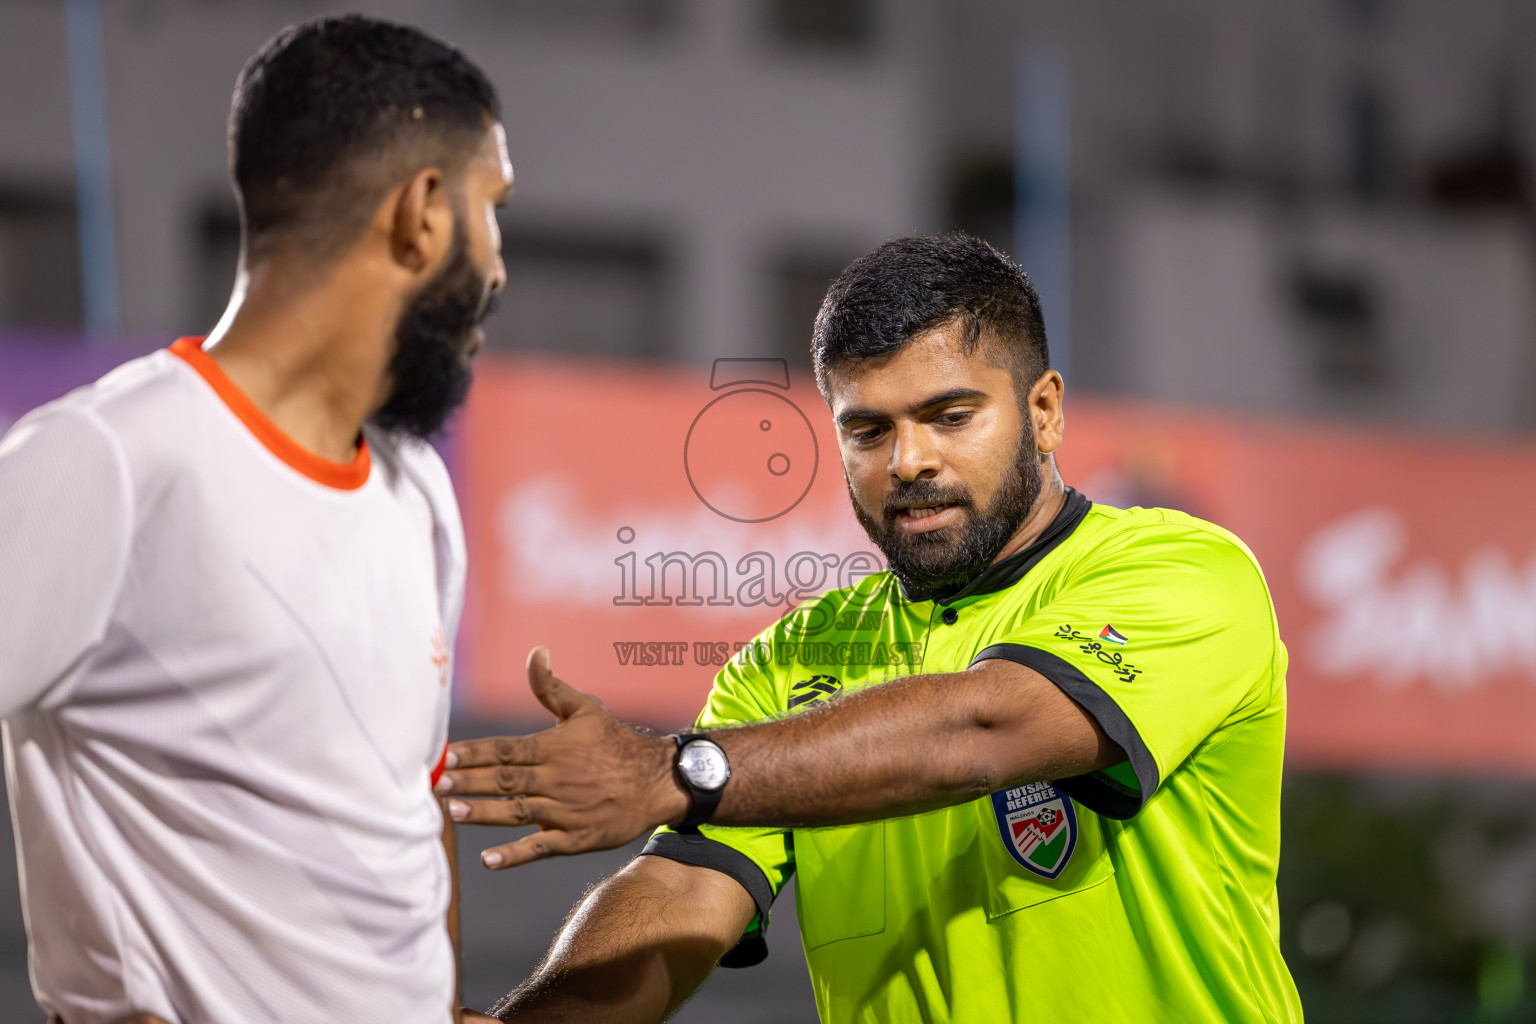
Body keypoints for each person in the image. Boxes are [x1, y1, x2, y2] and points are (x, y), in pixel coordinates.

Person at [441, 233, 1304, 1023]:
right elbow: (684, 892)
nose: (909, 461)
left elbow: (982, 728)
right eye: (868, 429)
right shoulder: (787, 664)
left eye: (950, 416)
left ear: (1043, 412)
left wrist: (676, 767)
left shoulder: (1184, 569)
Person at [0, 16, 509, 1023]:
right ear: (423, 214)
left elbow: (409, 812)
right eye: (495, 210)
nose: (499, 267)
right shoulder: (103, 461)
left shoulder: (418, 489)